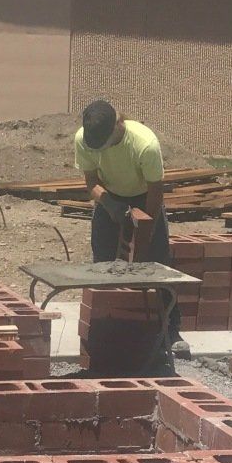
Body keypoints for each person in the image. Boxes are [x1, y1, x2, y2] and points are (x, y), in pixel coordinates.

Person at [74, 98, 184, 350]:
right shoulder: (85, 139)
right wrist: (109, 204)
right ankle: (105, 327)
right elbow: (91, 182)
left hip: (144, 197)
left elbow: (156, 190)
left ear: (117, 126)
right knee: (102, 263)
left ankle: (172, 330)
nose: (99, 151)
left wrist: (146, 226)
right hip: (110, 197)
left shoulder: (145, 145)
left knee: (157, 264)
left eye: (104, 145)